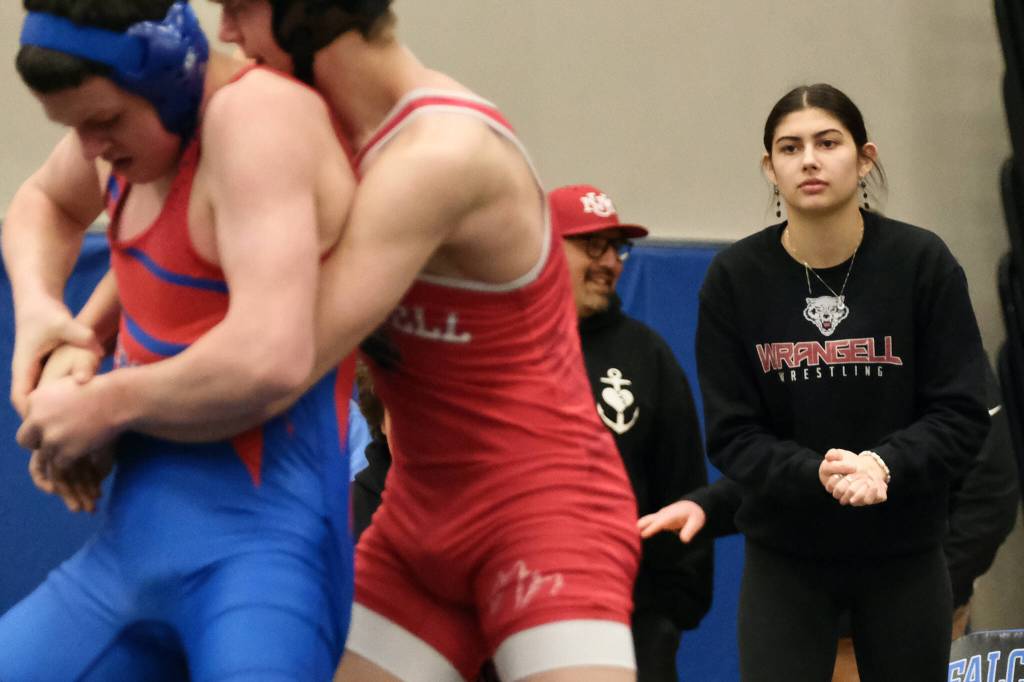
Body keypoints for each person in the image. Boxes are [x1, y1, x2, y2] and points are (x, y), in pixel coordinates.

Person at [16, 2, 640, 680]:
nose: (224, 33)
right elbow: (160, 277)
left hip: (546, 511)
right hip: (419, 517)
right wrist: (81, 337)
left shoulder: (440, 154)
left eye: (240, 10)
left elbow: (275, 355)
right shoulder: (322, 125)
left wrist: (101, 406)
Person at [1, 1, 358, 679]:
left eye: (102, 122)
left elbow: (272, 356)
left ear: (173, 76)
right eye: (73, 128)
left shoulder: (257, 120)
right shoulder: (118, 135)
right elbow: (42, 202)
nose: (89, 148)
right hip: (131, 549)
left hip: (261, 557)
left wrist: (99, 405)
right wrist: (45, 312)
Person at [644, 83, 989, 682]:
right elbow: (732, 435)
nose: (809, 159)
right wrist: (817, 474)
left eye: (828, 142)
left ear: (864, 158)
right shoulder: (735, 279)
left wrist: (883, 465)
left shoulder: (921, 263)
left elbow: (960, 414)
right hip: (788, 557)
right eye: (789, 147)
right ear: (769, 168)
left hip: (904, 554)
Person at [549, 184, 712, 681]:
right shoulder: (507, 350)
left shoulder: (647, 356)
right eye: (592, 246)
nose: (610, 263)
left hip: (633, 619)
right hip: (525, 609)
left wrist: (666, 616)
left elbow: (683, 485)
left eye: (616, 248)